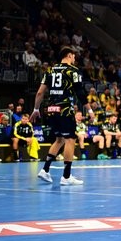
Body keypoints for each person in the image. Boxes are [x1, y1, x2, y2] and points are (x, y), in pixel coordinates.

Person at [31, 46, 94, 185]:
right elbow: (80, 92)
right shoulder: (73, 71)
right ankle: (66, 177)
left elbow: (40, 92)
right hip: (65, 110)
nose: (75, 59)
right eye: (74, 56)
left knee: (59, 140)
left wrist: (36, 109)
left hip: (51, 110)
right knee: (70, 139)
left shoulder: (50, 70)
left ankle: (45, 170)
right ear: (69, 55)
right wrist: (89, 110)